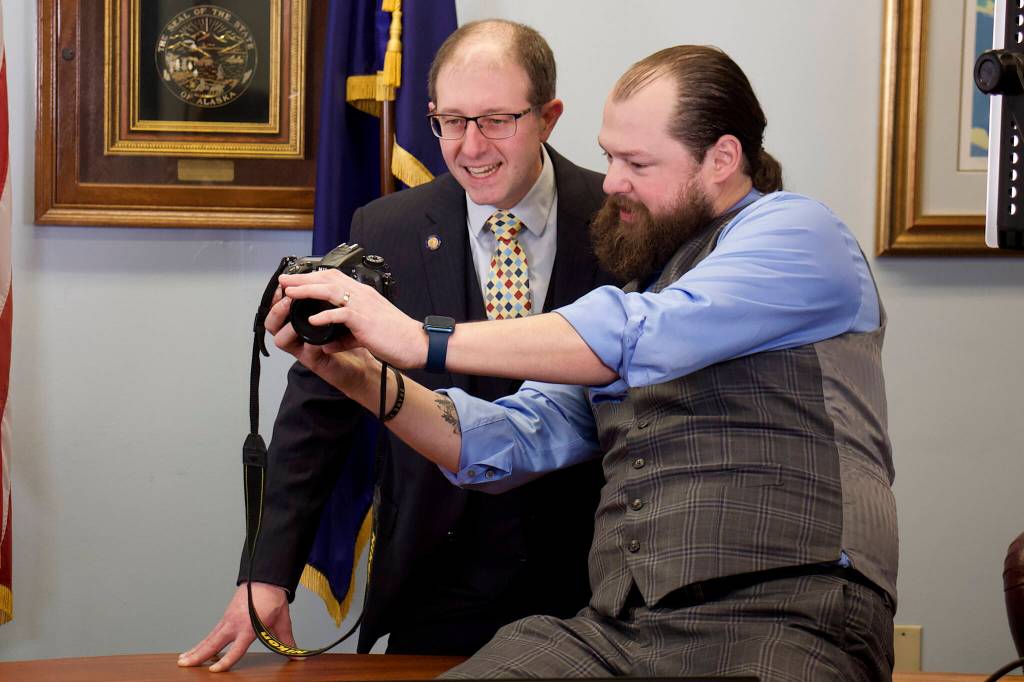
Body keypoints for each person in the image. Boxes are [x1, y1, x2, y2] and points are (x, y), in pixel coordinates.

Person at [268, 44, 898, 681]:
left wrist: (419, 340)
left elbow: (638, 334)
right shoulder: (646, 289)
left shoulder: (800, 235)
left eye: (636, 162)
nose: (613, 181)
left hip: (786, 614)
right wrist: (361, 377)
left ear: (723, 159)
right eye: (608, 156)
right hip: (624, 627)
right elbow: (508, 438)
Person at [178, 20, 617, 672]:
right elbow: (315, 414)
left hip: (591, 585)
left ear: (548, 116)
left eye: (496, 120)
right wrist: (266, 575)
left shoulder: (617, 219)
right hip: (436, 583)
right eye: (450, 121)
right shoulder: (388, 226)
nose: (471, 147)